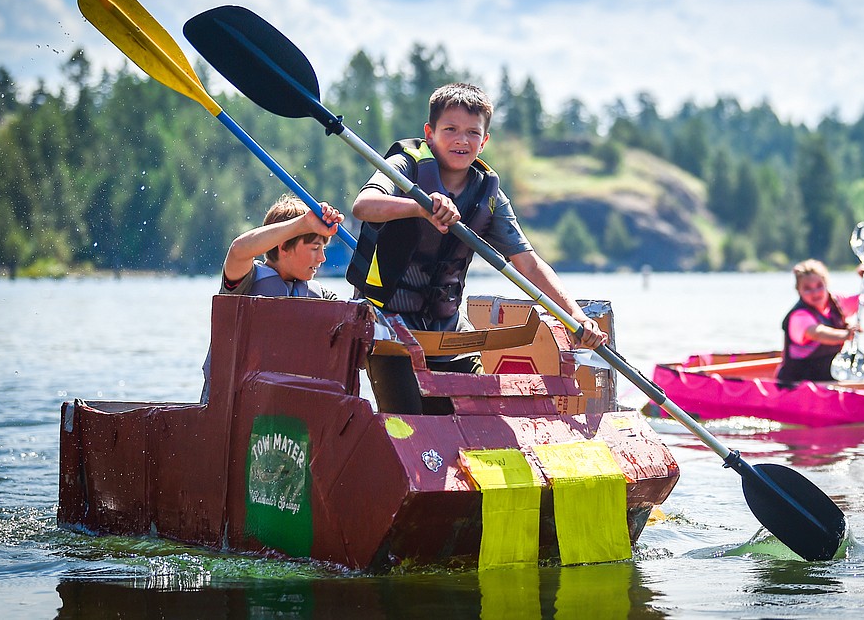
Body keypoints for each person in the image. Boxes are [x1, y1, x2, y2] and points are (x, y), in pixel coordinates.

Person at [347, 82, 607, 413]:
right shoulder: (405, 166)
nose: (461, 140)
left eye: (472, 132)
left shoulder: (490, 196)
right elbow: (363, 205)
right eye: (450, 129)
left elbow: (528, 263)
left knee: (473, 416)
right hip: (385, 321)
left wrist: (577, 316)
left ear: (484, 142)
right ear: (430, 133)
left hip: (447, 328)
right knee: (410, 418)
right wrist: (419, 207)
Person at [201, 194, 345, 401]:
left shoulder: (321, 295)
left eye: (323, 248)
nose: (322, 258)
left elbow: (357, 316)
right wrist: (304, 223)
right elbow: (238, 250)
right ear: (283, 246)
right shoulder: (245, 280)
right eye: (315, 248)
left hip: (281, 406)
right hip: (229, 401)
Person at [777, 258, 864, 384]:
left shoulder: (837, 302)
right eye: (807, 288)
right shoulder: (799, 316)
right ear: (798, 290)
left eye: (819, 286)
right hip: (795, 384)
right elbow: (818, 333)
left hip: (828, 380)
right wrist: (846, 334)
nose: (815, 293)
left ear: (826, 283)